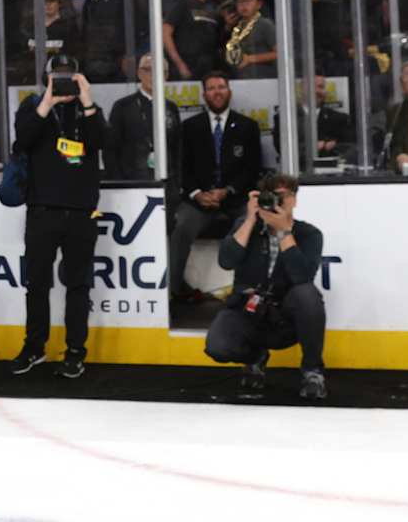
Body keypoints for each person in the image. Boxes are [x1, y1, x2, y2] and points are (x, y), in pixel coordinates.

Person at [5, 53, 101, 378]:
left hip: (81, 213)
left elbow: (103, 141)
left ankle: (75, 350)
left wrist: (87, 101)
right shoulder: (34, 107)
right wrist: (47, 101)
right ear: (46, 78)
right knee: (37, 284)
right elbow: (23, 141)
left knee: (78, 286)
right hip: (42, 211)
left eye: (68, 76)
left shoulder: (87, 112)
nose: (63, 82)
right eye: (56, 76)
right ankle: (35, 347)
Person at [204, 173, 327, 401]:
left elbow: (302, 276)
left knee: (307, 295)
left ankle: (313, 371)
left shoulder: (309, 234)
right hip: (249, 311)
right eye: (271, 197)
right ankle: (255, 357)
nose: (277, 203)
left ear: (294, 200)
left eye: (283, 197)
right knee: (217, 346)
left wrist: (283, 232)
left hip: (285, 317)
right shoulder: (246, 227)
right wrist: (250, 219)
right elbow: (226, 261)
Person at [168, 72, 262, 307]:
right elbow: (181, 168)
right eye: (211, 88)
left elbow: (252, 169)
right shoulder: (189, 127)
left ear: (229, 91)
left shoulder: (247, 126)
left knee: (250, 222)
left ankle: (245, 292)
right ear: (204, 94)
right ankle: (173, 291)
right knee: (180, 225)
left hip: (235, 198)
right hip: (198, 200)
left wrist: (227, 190)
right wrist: (197, 193)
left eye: (221, 87)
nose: (217, 92)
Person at [103, 52, 180, 181]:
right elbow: (110, 150)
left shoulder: (171, 108)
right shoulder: (123, 106)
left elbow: (177, 150)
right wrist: (118, 182)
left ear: (166, 75)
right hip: (131, 184)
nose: (153, 75)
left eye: (159, 71)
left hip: (166, 183)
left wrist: (177, 184)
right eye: (148, 70)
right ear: (139, 73)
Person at [164, 0, 223, 80]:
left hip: (207, 68)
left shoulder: (212, 9)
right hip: (186, 67)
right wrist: (179, 63)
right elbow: (165, 33)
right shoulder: (184, 4)